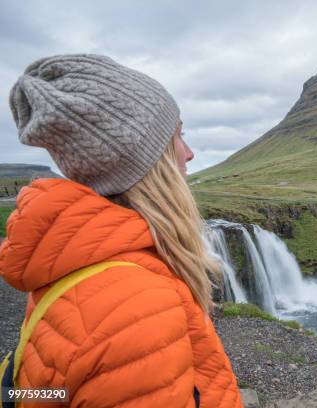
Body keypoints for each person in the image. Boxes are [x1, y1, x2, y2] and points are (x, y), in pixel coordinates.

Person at [0, 54, 243, 407]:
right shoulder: (137, 306)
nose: (189, 154)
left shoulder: (80, 262)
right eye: (178, 136)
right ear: (146, 161)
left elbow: (51, 392)